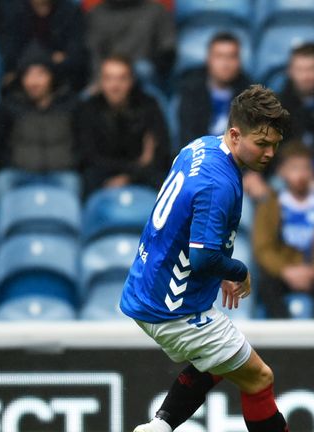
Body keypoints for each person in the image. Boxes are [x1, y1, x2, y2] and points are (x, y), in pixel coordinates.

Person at [121, 85, 290, 432]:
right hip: (173, 307)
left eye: (275, 143)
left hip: (147, 284)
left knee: (222, 359)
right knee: (258, 377)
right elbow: (201, 258)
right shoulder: (220, 185)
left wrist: (218, 264)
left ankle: (160, 426)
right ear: (234, 134)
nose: (270, 153)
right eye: (262, 143)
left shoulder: (200, 146)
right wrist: (236, 270)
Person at [252, 144, 314, 318]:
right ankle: (280, 340)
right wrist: (285, 271)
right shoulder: (269, 206)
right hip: (281, 272)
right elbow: (263, 247)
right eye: (294, 168)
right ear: (282, 172)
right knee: (266, 286)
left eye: (306, 168)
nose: (300, 174)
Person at [0, 44, 79, 198]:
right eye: (28, 75)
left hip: (60, 173)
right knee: (2, 181)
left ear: (51, 76)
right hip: (21, 172)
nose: (33, 81)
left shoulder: (70, 106)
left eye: (40, 74)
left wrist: (69, 162)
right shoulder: (10, 107)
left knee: (72, 182)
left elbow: (81, 145)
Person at [76, 55, 170, 195]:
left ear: (131, 81)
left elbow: (161, 151)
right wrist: (136, 165)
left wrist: (130, 177)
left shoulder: (149, 105)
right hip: (103, 174)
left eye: (122, 79)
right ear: (101, 82)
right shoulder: (88, 108)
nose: (115, 86)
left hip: (144, 174)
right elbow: (88, 156)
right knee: (87, 179)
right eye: (109, 79)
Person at [177, 32, 251, 147]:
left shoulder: (250, 93)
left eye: (231, 57)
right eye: (219, 56)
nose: (225, 64)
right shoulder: (191, 90)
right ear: (209, 59)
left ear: (239, 61)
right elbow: (187, 137)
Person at [0, 0, 87, 91]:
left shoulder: (70, 11)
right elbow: (11, 55)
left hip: (64, 81)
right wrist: (50, 58)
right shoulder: (14, 11)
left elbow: (75, 56)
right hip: (21, 79)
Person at [85, 0, 176, 84]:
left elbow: (167, 48)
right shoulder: (97, 14)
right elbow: (94, 53)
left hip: (147, 79)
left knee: (143, 68)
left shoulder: (157, 10)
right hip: (107, 78)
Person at [277, 44, 314, 172]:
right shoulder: (276, 107)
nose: (306, 76)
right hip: (286, 175)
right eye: (300, 70)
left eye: (311, 69)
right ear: (290, 72)